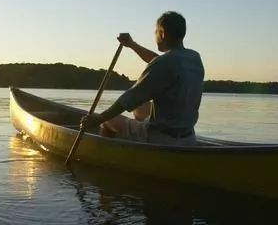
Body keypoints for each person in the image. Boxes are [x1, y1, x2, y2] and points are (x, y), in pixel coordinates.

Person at [80, 11, 205, 146]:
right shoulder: (194, 58)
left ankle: (110, 155)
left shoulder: (163, 63)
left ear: (162, 33)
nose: (155, 36)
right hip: (188, 138)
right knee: (141, 107)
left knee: (109, 121)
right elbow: (160, 62)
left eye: (155, 32)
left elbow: (127, 100)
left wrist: (98, 119)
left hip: (160, 138)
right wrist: (132, 44)